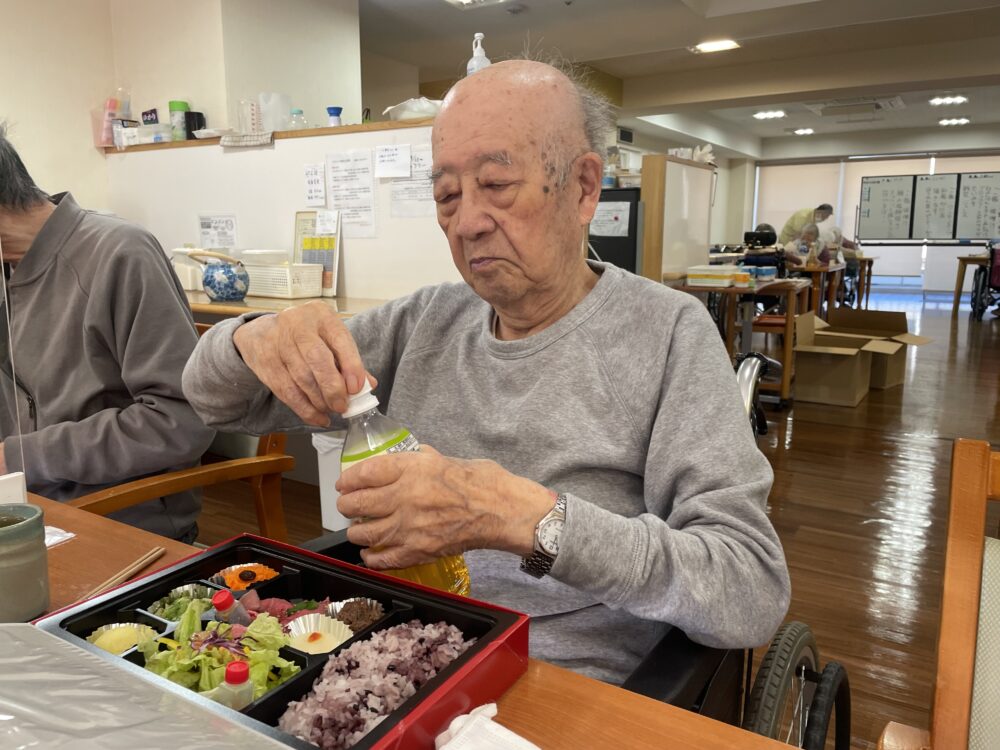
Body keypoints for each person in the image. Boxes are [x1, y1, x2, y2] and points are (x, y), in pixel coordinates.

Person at [183, 60, 790, 684]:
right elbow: (214, 401)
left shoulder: (667, 333)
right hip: (397, 663)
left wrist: (527, 519)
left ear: (583, 189)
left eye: (496, 183)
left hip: (560, 687)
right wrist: (252, 336)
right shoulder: (424, 322)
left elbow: (748, 588)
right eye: (446, 195)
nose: (466, 221)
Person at [0, 125, 215, 541]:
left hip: (118, 519)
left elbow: (181, 420)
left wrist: (20, 456)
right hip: (30, 505)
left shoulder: (119, 253)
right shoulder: (9, 268)